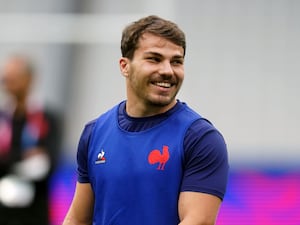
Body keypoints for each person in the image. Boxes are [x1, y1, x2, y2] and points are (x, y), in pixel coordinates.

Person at [63, 15, 229, 225]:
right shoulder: (94, 133)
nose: (168, 71)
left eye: (176, 61)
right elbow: (78, 219)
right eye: (154, 59)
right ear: (125, 66)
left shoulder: (200, 139)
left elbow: (198, 222)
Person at [0, 55, 61, 225]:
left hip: (35, 210)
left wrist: (8, 160)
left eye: (13, 78)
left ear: (29, 79)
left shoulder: (47, 118)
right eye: (5, 79)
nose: (7, 84)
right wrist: (24, 159)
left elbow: (48, 163)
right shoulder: (3, 117)